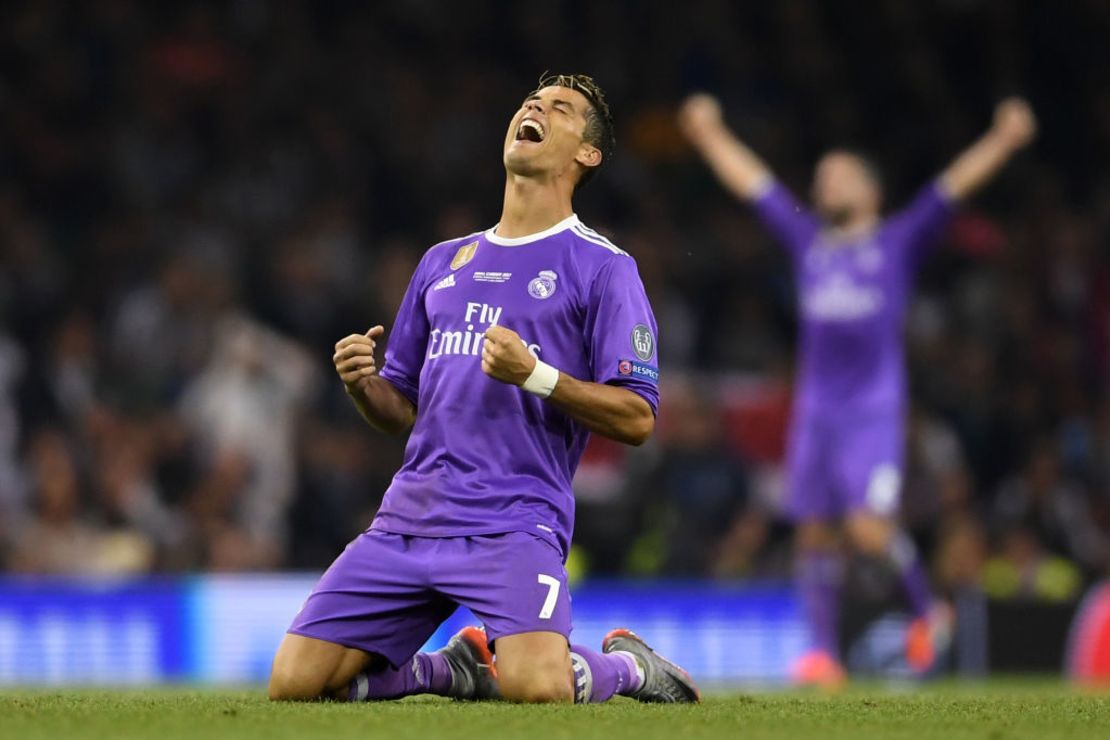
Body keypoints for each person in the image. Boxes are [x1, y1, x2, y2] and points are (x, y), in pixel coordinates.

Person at [267, 73, 699, 704]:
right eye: (532, 101)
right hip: (408, 519)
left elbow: (637, 418)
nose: (535, 107)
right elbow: (400, 411)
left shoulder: (603, 267)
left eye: (560, 109)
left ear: (588, 154)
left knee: (538, 688)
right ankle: (451, 669)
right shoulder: (444, 261)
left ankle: (628, 668)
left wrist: (538, 376)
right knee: (294, 685)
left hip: (514, 521)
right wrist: (363, 385)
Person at [679, 93, 1036, 685]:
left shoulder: (898, 241)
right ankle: (823, 655)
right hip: (816, 412)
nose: (826, 185)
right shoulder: (807, 242)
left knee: (868, 529)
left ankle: (929, 613)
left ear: (870, 191)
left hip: (871, 412)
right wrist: (710, 132)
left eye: (839, 176)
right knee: (815, 530)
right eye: (821, 178)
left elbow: (952, 185)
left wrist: (1004, 137)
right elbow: (754, 183)